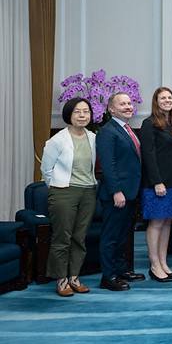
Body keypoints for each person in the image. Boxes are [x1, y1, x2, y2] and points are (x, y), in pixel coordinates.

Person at [41, 98, 98, 297]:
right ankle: (61, 279)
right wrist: (57, 188)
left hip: (89, 191)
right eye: (77, 112)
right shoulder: (57, 140)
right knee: (62, 238)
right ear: (69, 115)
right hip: (63, 192)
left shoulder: (93, 137)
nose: (82, 115)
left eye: (86, 111)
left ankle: (74, 277)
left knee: (79, 237)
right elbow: (46, 170)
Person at [96, 92, 144, 291]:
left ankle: (121, 270)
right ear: (111, 109)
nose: (128, 106)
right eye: (122, 104)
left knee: (123, 235)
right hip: (117, 194)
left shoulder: (127, 129)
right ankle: (108, 277)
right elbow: (108, 165)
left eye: (129, 103)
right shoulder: (107, 131)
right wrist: (116, 191)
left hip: (131, 192)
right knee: (111, 236)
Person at [140, 87, 172, 283]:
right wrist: (157, 182)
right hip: (157, 183)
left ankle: (164, 263)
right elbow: (148, 155)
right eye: (163, 98)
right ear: (156, 102)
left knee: (167, 223)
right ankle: (154, 265)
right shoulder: (149, 124)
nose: (167, 100)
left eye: (169, 98)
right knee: (156, 222)